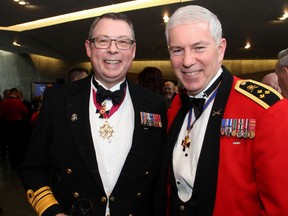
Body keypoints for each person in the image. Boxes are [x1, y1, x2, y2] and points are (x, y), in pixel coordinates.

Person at [19, 12, 167, 216]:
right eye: (103, 41)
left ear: (133, 51)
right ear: (89, 48)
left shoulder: (155, 105)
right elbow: (33, 168)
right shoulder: (57, 100)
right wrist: (52, 212)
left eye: (123, 42)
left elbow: (161, 177)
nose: (113, 49)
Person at [155, 5, 288, 216]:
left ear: (220, 48)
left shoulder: (264, 110)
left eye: (199, 48)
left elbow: (280, 207)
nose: (187, 61)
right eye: (177, 50)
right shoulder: (177, 106)